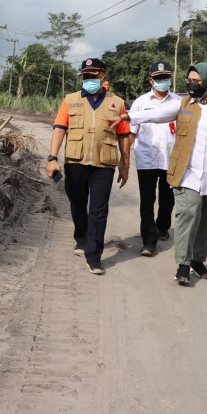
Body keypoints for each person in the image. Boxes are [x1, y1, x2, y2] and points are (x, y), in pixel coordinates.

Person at [109, 62, 207, 285]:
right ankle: (183, 264)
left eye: (196, 81)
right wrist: (126, 118)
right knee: (187, 216)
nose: (191, 84)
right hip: (188, 173)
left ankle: (198, 260)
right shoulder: (183, 104)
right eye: (188, 80)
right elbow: (156, 114)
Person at [46, 58, 132, 275]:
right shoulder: (70, 100)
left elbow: (123, 136)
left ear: (104, 76)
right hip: (75, 163)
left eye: (93, 75)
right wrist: (52, 158)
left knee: (99, 210)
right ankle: (81, 237)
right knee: (77, 204)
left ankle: (94, 255)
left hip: (104, 165)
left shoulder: (118, 103)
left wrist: (125, 164)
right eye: (86, 76)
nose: (89, 79)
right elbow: (59, 129)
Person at [128, 61, 181, 257]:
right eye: (159, 78)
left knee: (168, 199)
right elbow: (132, 131)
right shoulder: (141, 103)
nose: (163, 81)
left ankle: (163, 227)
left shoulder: (179, 102)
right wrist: (124, 158)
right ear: (151, 80)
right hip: (147, 159)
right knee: (147, 201)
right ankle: (149, 242)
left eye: (166, 78)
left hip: (171, 159)